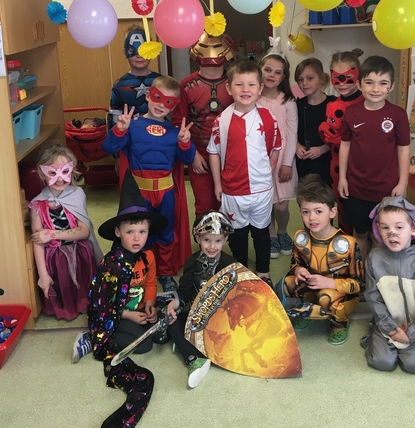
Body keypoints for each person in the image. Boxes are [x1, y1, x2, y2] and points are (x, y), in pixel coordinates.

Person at [73, 171, 168, 428]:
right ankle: (90, 339)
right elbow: (101, 303)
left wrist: (149, 304)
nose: (137, 238)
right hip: (115, 317)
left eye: (142, 232)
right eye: (130, 232)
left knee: (160, 335)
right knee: (144, 347)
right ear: (118, 232)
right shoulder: (111, 265)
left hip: (138, 309)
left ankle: (139, 324)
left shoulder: (148, 256)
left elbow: (150, 283)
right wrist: (127, 315)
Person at [102, 75, 196, 292]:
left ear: (175, 105)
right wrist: (119, 129)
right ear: (147, 96)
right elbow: (109, 148)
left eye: (169, 102)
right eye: (157, 97)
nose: (161, 105)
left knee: (166, 233)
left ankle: (165, 272)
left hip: (166, 192)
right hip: (139, 191)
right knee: (139, 232)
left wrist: (185, 142)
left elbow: (188, 159)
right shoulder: (132, 125)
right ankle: (140, 271)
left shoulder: (176, 132)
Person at [207, 59, 282, 285]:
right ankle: (239, 272)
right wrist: (218, 184)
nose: (245, 90)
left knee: (261, 233)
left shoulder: (268, 118)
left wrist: (269, 171)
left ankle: (263, 273)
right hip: (233, 190)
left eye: (251, 85)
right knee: (237, 234)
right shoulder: (222, 120)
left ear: (260, 88)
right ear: (229, 88)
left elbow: (276, 148)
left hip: (261, 190)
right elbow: (214, 152)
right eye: (239, 84)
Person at [276, 174, 364, 345]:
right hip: (313, 285)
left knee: (326, 297)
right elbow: (295, 262)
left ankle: (340, 323)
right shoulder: (301, 237)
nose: (312, 218)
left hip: (339, 292)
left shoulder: (349, 244)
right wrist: (298, 270)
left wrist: (330, 283)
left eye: (318, 211)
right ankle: (309, 309)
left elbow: (361, 284)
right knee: (286, 284)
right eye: (306, 212)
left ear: (332, 212)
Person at [338, 56, 411, 256]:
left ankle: (377, 272)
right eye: (369, 82)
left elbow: (403, 149)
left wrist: (403, 182)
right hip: (357, 188)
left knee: (381, 237)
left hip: (387, 190)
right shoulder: (352, 113)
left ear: (391, 86)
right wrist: (343, 178)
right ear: (359, 85)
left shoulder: (398, 115)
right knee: (360, 234)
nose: (376, 89)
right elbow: (345, 145)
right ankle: (360, 270)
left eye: (383, 83)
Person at [362, 195, 415, 374]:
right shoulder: (374, 259)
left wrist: (412, 333)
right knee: (382, 362)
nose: (392, 233)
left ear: (413, 229)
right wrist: (388, 328)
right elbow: (372, 297)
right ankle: (373, 337)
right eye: (385, 227)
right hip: (385, 325)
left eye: (399, 227)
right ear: (378, 230)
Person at [29, 144, 103, 321]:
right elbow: (38, 241)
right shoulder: (37, 204)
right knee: (63, 286)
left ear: (72, 169)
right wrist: (43, 275)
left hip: (80, 253)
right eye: (52, 172)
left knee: (84, 286)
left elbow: (84, 231)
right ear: (42, 173)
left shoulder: (77, 194)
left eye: (65, 171)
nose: (60, 178)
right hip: (56, 259)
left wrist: (52, 234)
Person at [166, 210, 235, 388]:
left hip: (219, 318)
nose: (212, 246)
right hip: (195, 316)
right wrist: (175, 303)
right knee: (172, 322)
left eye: (218, 241)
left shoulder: (230, 264)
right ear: (198, 238)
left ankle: (186, 344)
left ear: (225, 240)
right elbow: (184, 292)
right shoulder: (191, 262)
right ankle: (193, 359)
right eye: (207, 240)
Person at [172, 31, 234, 216]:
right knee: (204, 205)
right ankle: (206, 236)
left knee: (230, 205)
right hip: (200, 154)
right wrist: (192, 154)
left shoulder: (236, 83)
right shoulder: (187, 85)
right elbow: (179, 123)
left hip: (230, 155)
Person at [258, 51, 298, 259]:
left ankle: (282, 231)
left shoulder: (288, 101)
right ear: (260, 71)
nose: (272, 75)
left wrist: (287, 163)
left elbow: (292, 133)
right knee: (266, 202)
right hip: (260, 159)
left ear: (283, 77)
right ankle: (271, 234)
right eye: (268, 70)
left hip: (283, 159)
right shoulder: (254, 98)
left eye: (277, 72)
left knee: (281, 205)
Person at [319, 49, 364, 232]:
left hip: (362, 167)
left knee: (363, 212)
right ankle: (345, 242)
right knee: (342, 207)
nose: (342, 83)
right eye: (337, 78)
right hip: (337, 166)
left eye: (348, 77)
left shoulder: (367, 102)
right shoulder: (333, 106)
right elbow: (328, 137)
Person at [294, 57, 334, 187]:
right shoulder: (297, 105)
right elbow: (290, 130)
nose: (304, 83)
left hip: (326, 161)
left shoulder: (333, 104)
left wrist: (322, 149)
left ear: (321, 78)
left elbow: (340, 135)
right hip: (303, 162)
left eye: (310, 78)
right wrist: (296, 145)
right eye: (300, 80)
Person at [109, 26, 159, 119]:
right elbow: (115, 120)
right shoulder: (119, 85)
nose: (139, 55)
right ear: (125, 53)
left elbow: (171, 116)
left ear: (151, 51)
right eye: (132, 51)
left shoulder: (162, 82)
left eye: (144, 51)